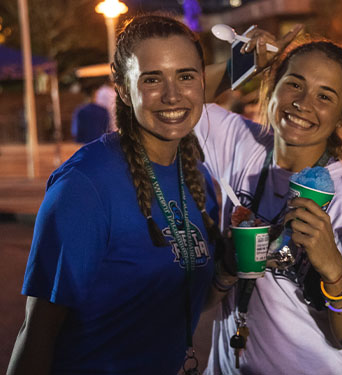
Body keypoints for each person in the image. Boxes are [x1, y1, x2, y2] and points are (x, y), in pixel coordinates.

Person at [8, 14, 230, 374]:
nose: (173, 94)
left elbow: (184, 298)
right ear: (124, 90)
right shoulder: (85, 186)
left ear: (203, 83)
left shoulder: (197, 179)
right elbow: (38, 333)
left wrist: (228, 270)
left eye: (185, 76)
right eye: (152, 79)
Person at [196, 36, 342, 374]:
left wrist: (334, 270)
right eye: (294, 84)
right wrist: (241, 65)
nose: (302, 103)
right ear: (272, 87)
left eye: (324, 96)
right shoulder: (243, 143)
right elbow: (182, 102)